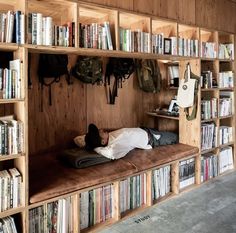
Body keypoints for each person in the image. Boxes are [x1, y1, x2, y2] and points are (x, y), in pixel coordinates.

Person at [85, 124, 178, 160]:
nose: (101, 129)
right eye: (99, 132)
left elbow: (78, 139)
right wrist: (96, 149)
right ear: (102, 142)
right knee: (176, 137)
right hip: (154, 139)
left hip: (146, 129)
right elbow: (111, 154)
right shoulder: (116, 145)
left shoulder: (109, 136)